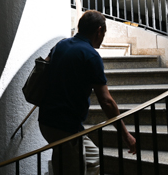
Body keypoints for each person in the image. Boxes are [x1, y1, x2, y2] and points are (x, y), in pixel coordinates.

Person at [39, 10, 136, 174]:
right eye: (104, 33)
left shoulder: (61, 44)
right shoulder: (91, 56)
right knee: (70, 169)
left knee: (93, 158)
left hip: (46, 120)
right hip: (65, 126)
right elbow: (106, 101)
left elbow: (44, 70)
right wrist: (126, 135)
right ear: (99, 31)